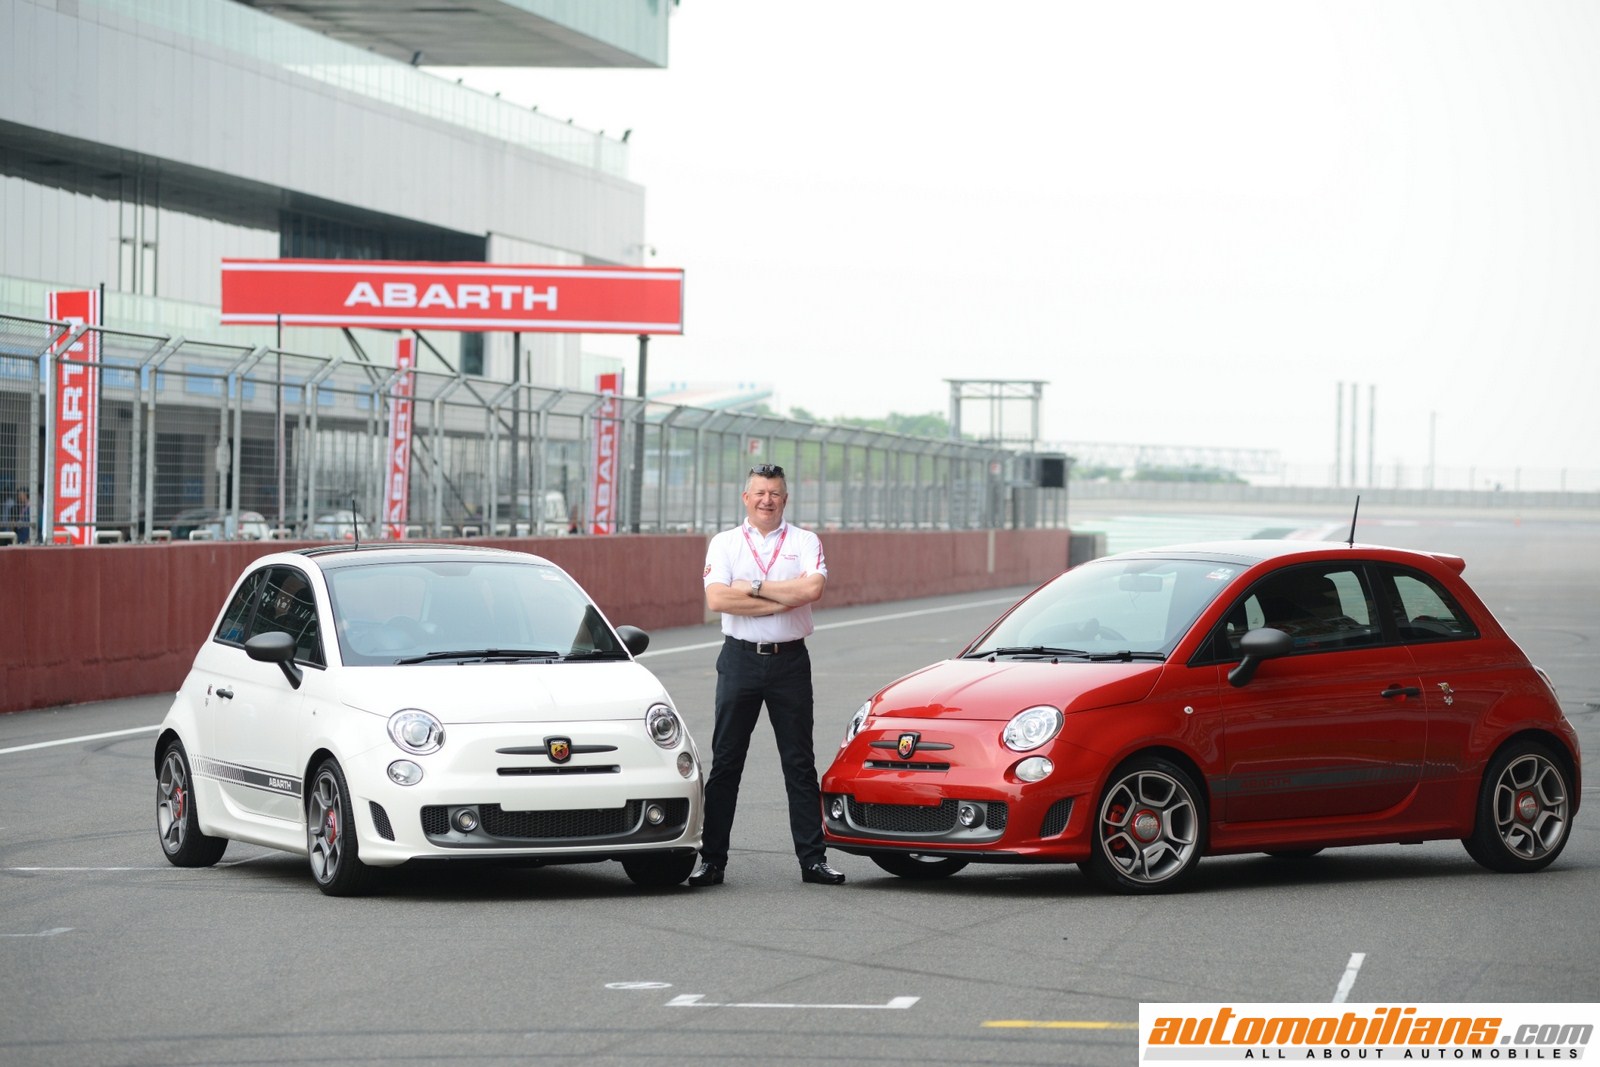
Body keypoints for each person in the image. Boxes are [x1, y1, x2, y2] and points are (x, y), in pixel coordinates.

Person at [690, 463, 844, 887]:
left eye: (775, 493)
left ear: (785, 499)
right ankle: (712, 860)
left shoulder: (805, 541)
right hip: (739, 660)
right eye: (759, 492)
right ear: (746, 498)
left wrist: (753, 587)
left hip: (789, 662)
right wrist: (782, 596)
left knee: (799, 763)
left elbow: (811, 591)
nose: (767, 500)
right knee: (726, 763)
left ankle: (813, 860)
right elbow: (718, 598)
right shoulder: (724, 543)